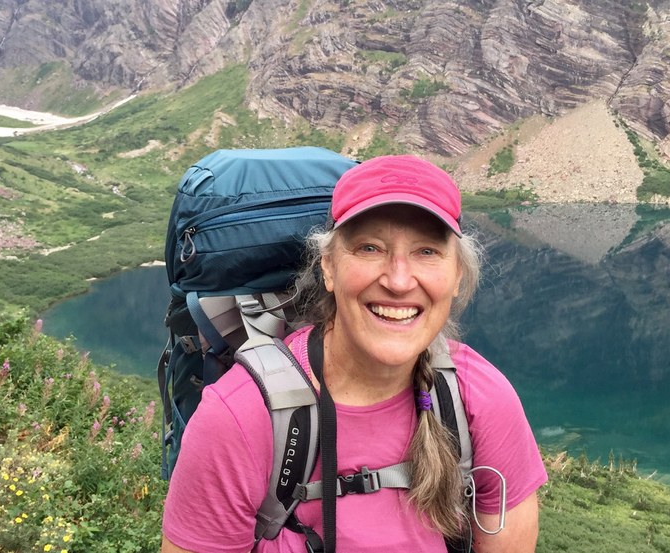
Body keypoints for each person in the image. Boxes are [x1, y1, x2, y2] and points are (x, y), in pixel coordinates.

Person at [161, 154, 548, 552]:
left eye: (427, 251)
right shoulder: (238, 419)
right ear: (328, 267)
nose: (398, 280)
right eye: (369, 248)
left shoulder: (480, 399)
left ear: (457, 276)